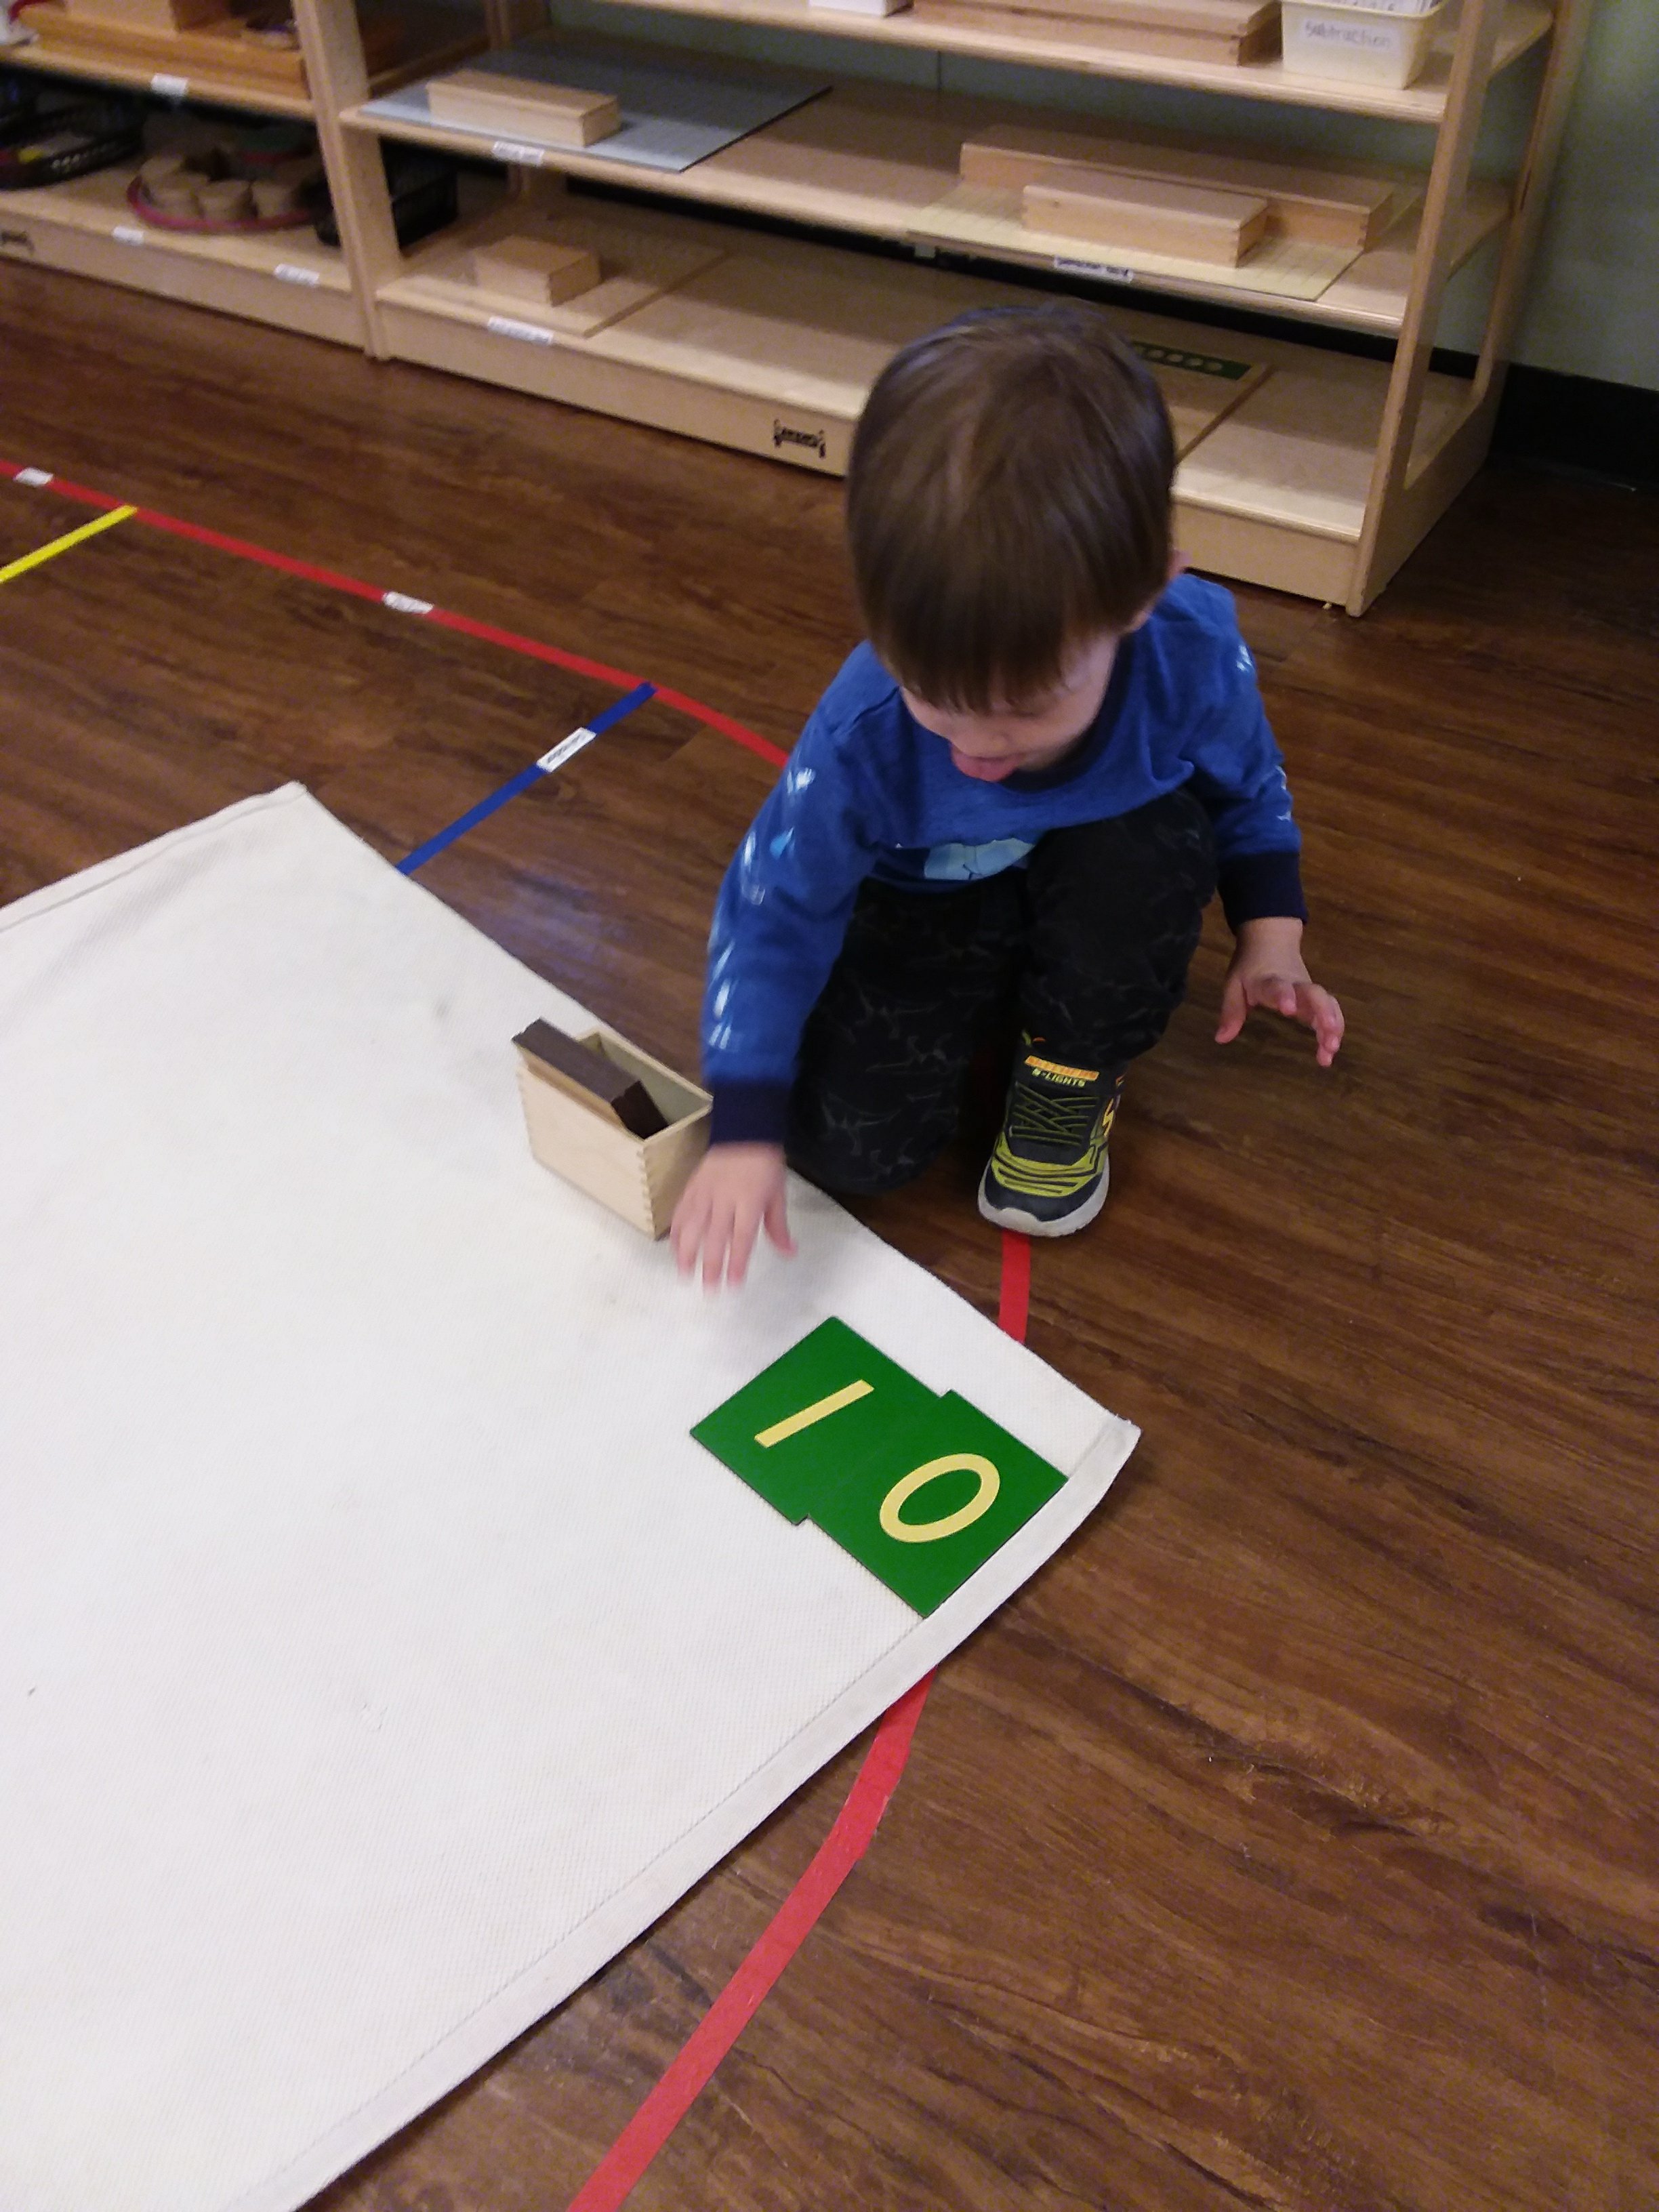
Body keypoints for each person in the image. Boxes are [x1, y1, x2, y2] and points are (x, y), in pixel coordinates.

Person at [671, 302, 1344, 1289]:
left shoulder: (1192, 652)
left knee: (1154, 848)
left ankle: (1069, 1064)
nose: (977, 748)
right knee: (853, 1153)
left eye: (1026, 707)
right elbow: (772, 913)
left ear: (1142, 596)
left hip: (1102, 871)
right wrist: (743, 1127)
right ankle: (1004, 992)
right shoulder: (862, 733)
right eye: (932, 697)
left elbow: (1249, 781)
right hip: (927, 900)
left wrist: (1272, 931)